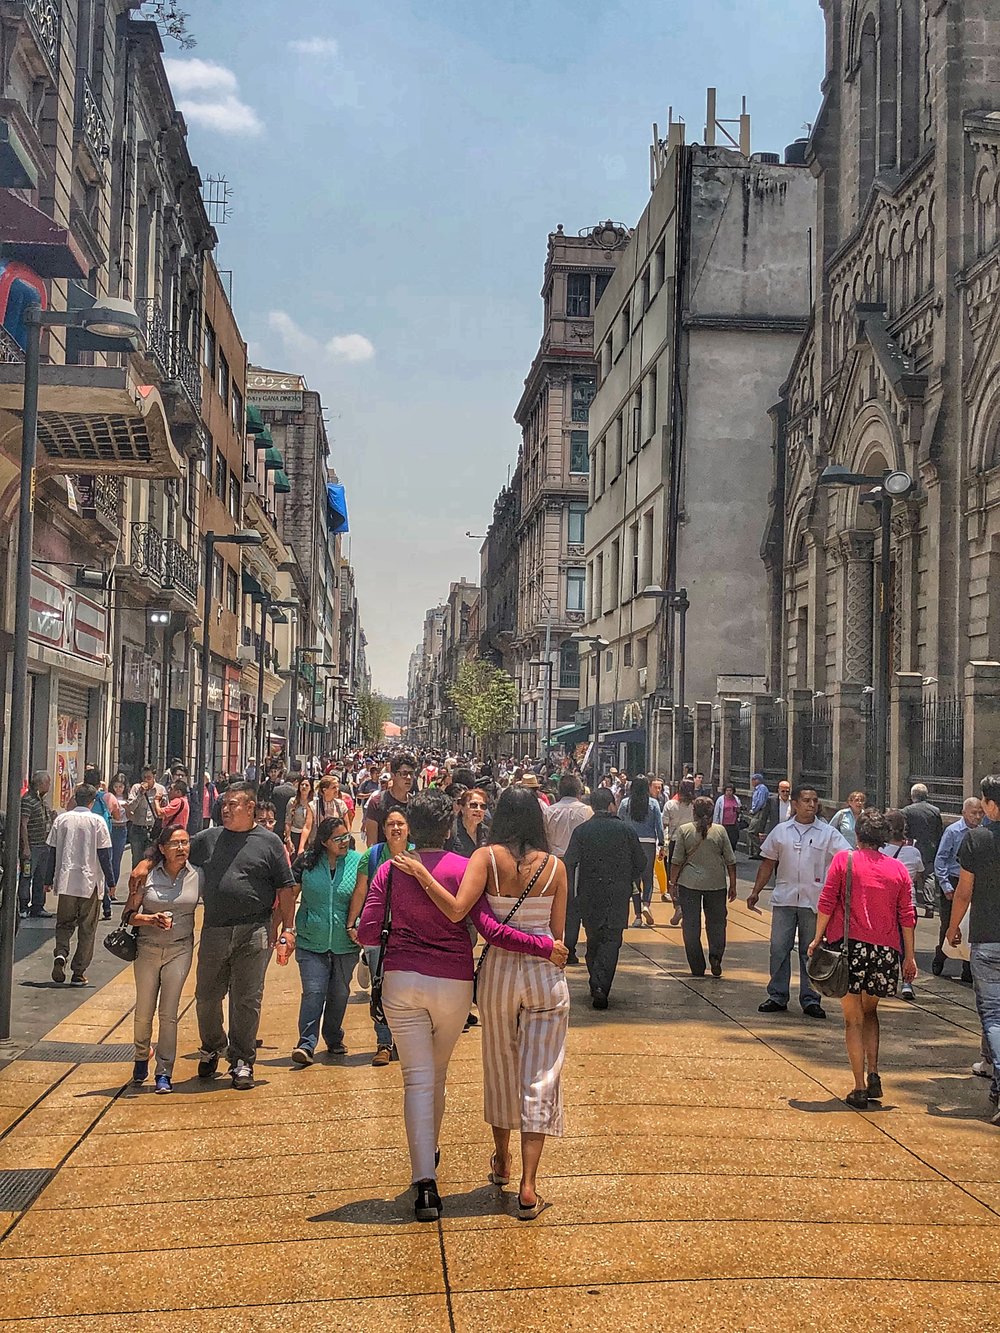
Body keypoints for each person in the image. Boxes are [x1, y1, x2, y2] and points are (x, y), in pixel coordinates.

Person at [354, 789, 565, 1223]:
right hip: (463, 981)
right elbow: (484, 923)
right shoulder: (475, 866)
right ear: (450, 828)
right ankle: (510, 1176)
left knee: (422, 1078)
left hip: (410, 980)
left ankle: (428, 1180)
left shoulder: (395, 872)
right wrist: (543, 946)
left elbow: (369, 932)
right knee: (462, 1072)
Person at [129, 780, 296, 1090]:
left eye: (233, 804)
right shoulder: (209, 838)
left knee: (247, 1000)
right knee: (206, 997)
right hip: (215, 930)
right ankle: (212, 1045)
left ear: (250, 808)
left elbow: (285, 888)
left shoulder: (270, 842)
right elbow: (174, 846)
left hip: (254, 931)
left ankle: (242, 1060)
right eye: (224, 804)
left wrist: (288, 928)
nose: (226, 809)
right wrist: (146, 862)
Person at [809, 810, 917, 1109]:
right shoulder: (898, 870)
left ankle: (858, 1087)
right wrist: (908, 956)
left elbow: (827, 901)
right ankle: (874, 1073)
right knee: (871, 1013)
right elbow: (907, 916)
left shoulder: (845, 860)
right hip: (884, 952)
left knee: (852, 1020)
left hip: (849, 949)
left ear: (857, 835)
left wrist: (817, 938)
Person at [748, 783, 851, 1019]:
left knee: (811, 951)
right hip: (784, 899)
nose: (811, 805)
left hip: (814, 902)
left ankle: (811, 998)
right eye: (806, 800)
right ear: (794, 804)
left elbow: (846, 860)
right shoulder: (781, 831)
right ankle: (777, 995)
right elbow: (767, 863)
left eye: (814, 800)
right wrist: (755, 891)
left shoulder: (827, 833)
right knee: (779, 948)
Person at [123, 823, 202, 1093]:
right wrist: (150, 919)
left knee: (169, 1013)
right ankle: (141, 1056)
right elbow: (129, 916)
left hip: (180, 949)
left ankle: (164, 1071)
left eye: (185, 843)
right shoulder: (146, 876)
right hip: (147, 948)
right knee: (144, 1011)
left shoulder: (197, 875)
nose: (181, 848)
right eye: (174, 844)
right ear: (161, 849)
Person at [289, 816, 366, 1065]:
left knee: (339, 993)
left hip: (346, 942)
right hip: (311, 940)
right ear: (324, 842)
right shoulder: (308, 862)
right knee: (313, 992)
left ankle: (333, 1037)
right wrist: (285, 929)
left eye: (346, 837)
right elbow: (289, 896)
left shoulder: (358, 862)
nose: (344, 842)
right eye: (338, 838)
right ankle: (306, 1044)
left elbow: (366, 896)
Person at [563, 787, 646, 1008]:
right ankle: (600, 984)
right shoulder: (626, 830)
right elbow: (641, 862)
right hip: (618, 894)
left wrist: (571, 893)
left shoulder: (582, 831)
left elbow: (569, 862)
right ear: (612, 805)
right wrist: (628, 876)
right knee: (612, 940)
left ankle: (596, 981)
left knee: (594, 938)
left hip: (589, 894)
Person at [949, 774, 1000, 1122]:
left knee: (994, 1016)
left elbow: (964, 891)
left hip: (989, 937)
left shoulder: (977, 839)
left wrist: (953, 927)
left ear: (990, 804)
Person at [347, 807, 413, 1065]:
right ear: (383, 829)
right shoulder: (372, 857)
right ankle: (384, 1042)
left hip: (410, 934)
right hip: (380, 934)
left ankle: (407, 1041)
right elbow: (360, 890)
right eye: (390, 824)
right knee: (380, 989)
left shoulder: (418, 854)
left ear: (408, 828)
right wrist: (352, 924)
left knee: (409, 991)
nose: (396, 828)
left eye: (400, 823)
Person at [47, 784, 115, 986]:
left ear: (75, 798)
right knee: (87, 927)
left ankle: (61, 953)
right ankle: (78, 971)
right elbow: (105, 855)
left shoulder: (62, 819)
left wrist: (46, 880)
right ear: (92, 802)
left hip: (67, 880)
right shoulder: (98, 822)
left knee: (64, 923)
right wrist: (111, 883)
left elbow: (51, 852)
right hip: (89, 882)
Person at [670, 795, 737, 977]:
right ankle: (715, 956)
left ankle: (697, 966)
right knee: (716, 923)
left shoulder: (684, 831)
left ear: (694, 812)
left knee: (691, 925)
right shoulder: (721, 831)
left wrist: (672, 883)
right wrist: (733, 884)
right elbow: (731, 860)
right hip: (716, 884)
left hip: (689, 884)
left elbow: (676, 861)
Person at [933, 797, 983, 981]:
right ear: (964, 813)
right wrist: (946, 886)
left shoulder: (983, 831)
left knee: (970, 925)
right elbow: (941, 860)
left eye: (980, 813)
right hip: (954, 881)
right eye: (974, 813)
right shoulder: (953, 832)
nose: (977, 817)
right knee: (949, 923)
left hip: (975, 881)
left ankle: (967, 968)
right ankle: (941, 955)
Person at [881, 809, 924, 1000]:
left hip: (885, 904)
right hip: (909, 904)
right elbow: (919, 875)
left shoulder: (880, 851)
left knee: (888, 943)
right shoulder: (914, 852)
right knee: (907, 945)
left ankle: (887, 980)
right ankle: (907, 984)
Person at [618, 775, 664, 927]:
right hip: (649, 843)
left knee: (634, 879)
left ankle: (637, 915)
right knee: (648, 876)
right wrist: (662, 843)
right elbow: (659, 825)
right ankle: (646, 904)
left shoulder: (625, 803)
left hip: (630, 843)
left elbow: (620, 822)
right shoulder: (653, 804)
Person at [902, 782, 944, 917]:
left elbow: (905, 831)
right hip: (930, 848)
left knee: (912, 876)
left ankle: (911, 902)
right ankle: (929, 906)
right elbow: (939, 831)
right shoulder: (935, 810)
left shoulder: (906, 811)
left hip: (912, 847)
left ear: (912, 796)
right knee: (929, 876)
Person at [18, 771, 53, 920]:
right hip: (32, 846)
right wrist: (25, 846)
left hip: (43, 844)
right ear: (40, 784)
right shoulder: (28, 800)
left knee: (40, 877)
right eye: (47, 783)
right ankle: (23, 906)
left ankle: (38, 905)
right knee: (27, 875)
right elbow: (23, 824)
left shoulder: (41, 800)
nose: (49, 786)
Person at [663, 779, 696, 925]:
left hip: (675, 842)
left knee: (673, 878)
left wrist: (663, 845)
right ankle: (689, 911)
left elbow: (664, 825)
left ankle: (677, 906)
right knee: (689, 877)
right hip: (692, 843)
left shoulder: (670, 804)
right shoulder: (695, 806)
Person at [363, 751, 415, 845]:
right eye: (404, 773)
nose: (408, 777)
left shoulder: (415, 804)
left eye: (411, 773)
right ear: (393, 775)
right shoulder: (377, 803)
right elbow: (371, 844)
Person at [126, 767, 166, 868]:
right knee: (137, 861)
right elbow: (130, 807)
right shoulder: (136, 788)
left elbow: (165, 810)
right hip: (138, 829)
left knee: (151, 861)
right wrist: (140, 794)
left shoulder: (160, 789)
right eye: (144, 777)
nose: (146, 780)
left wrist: (163, 801)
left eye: (149, 777)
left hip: (153, 830)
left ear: (154, 777)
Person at [446, 787, 489, 856]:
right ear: (462, 808)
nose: (478, 809)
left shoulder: (487, 833)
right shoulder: (450, 830)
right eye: (473, 805)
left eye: (483, 806)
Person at [107, 772, 130, 897]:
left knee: (116, 860)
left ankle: (112, 889)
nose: (118, 789)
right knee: (108, 859)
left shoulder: (128, 798)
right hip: (111, 828)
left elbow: (131, 816)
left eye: (120, 786)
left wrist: (128, 808)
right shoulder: (109, 797)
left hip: (121, 829)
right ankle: (106, 887)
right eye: (116, 786)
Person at [285, 776, 315, 859]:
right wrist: (288, 839)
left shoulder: (314, 802)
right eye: (302, 785)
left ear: (311, 788)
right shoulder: (292, 801)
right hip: (295, 835)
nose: (304, 787)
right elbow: (288, 821)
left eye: (307, 785)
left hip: (311, 836)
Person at [712, 782, 744, 852]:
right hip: (723, 824)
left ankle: (732, 854)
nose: (729, 792)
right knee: (723, 841)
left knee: (733, 840)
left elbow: (740, 809)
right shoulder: (720, 799)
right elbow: (717, 812)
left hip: (734, 823)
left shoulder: (736, 799)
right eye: (727, 790)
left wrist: (739, 810)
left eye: (730, 790)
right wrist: (715, 824)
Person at [747, 773, 770, 859]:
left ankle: (761, 850)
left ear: (757, 780)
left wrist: (754, 810)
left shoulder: (762, 789)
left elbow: (760, 802)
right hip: (757, 812)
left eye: (753, 780)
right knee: (756, 832)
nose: (752, 782)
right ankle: (758, 852)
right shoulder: (757, 789)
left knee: (751, 832)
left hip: (759, 812)